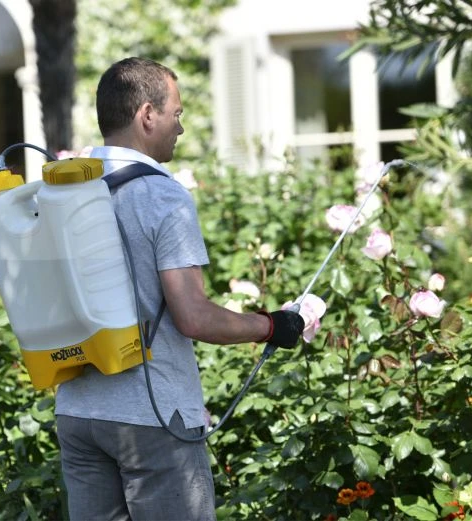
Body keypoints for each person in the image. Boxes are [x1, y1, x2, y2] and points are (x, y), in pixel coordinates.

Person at [54, 57, 305, 521]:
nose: (181, 128)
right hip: (152, 416)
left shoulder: (63, 189)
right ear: (147, 115)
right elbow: (194, 316)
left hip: (78, 410)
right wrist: (273, 326)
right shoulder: (161, 195)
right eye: (177, 114)